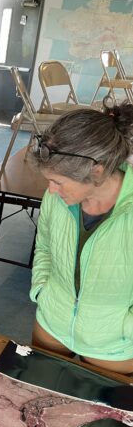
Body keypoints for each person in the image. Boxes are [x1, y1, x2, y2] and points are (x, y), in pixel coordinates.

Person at [29, 102, 133, 374]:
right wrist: (43, 291)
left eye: (59, 182)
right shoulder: (56, 199)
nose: (50, 191)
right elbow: (44, 248)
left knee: (100, 414)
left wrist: (124, 325)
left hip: (112, 345)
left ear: (96, 172)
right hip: (51, 323)